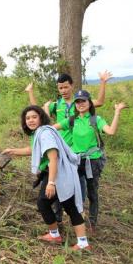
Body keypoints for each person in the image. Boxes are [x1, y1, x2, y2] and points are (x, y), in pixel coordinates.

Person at [25, 72, 112, 223]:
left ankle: (80, 212)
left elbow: (99, 101)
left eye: (66, 87)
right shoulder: (57, 105)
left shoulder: (79, 104)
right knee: (60, 181)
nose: (63, 90)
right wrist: (31, 92)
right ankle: (59, 215)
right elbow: (37, 110)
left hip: (75, 151)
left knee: (81, 184)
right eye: (60, 88)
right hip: (59, 149)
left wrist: (103, 82)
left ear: (72, 86)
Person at [3, 106, 90, 251]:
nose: (30, 120)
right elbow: (34, 149)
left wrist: (51, 183)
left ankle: (80, 242)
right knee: (51, 204)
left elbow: (53, 158)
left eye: (34, 117)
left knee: (62, 205)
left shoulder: (44, 134)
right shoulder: (40, 133)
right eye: (28, 118)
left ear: (41, 117)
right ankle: (58, 235)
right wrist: (13, 151)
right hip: (56, 173)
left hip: (58, 174)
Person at [53, 90, 127, 231]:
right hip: (75, 161)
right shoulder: (72, 120)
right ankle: (64, 219)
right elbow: (54, 128)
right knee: (67, 189)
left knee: (92, 192)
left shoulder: (95, 119)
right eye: (78, 102)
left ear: (89, 103)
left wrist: (117, 112)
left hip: (92, 162)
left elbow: (111, 131)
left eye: (83, 101)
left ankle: (92, 223)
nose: (80, 104)